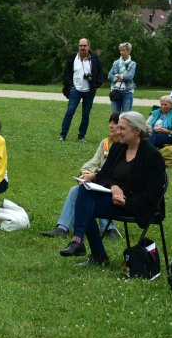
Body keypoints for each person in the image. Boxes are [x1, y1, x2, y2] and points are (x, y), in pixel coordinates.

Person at [60, 111, 165, 266]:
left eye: (122, 128)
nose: (118, 131)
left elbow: (153, 193)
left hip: (137, 205)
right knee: (84, 191)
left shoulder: (152, 156)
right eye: (118, 128)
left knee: (86, 207)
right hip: (113, 200)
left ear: (137, 131)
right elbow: (104, 175)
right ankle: (79, 242)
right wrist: (114, 186)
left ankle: (97, 255)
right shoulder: (118, 148)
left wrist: (127, 203)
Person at [42, 112, 121, 239]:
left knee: (95, 191)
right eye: (110, 122)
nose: (111, 126)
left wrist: (94, 175)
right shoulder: (105, 142)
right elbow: (94, 162)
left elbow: (115, 172)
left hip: (116, 187)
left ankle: (109, 229)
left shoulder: (124, 147)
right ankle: (62, 228)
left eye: (115, 123)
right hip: (101, 180)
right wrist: (85, 172)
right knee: (76, 190)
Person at [59, 38, 103, 142]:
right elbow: (66, 73)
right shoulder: (72, 57)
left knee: (85, 114)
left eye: (84, 46)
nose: (82, 48)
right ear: (78, 46)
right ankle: (62, 135)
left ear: (89, 46)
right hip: (75, 90)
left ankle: (81, 136)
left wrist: (96, 85)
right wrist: (70, 86)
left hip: (89, 91)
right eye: (81, 46)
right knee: (70, 112)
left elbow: (100, 74)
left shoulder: (95, 58)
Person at [107, 41, 136, 113]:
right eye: (120, 50)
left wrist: (119, 76)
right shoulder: (116, 63)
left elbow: (130, 76)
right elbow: (109, 76)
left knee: (126, 115)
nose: (121, 52)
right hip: (115, 91)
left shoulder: (132, 64)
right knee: (115, 114)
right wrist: (118, 78)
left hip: (127, 92)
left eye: (123, 50)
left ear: (129, 51)